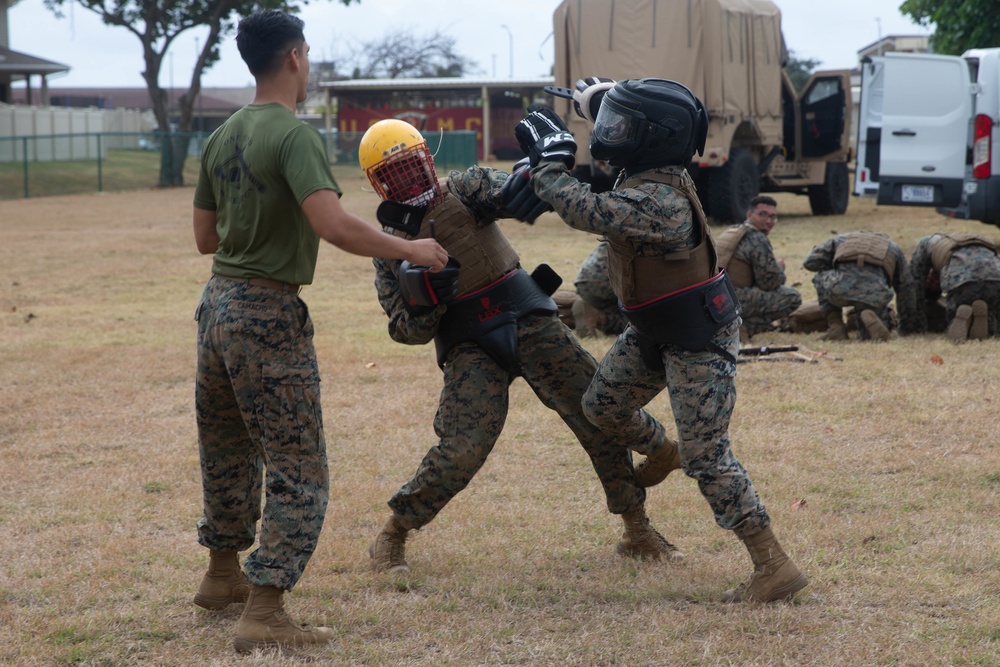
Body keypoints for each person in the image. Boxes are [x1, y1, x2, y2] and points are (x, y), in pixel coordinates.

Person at [191, 10, 447, 654]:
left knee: (227, 447)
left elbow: (204, 238)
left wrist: (254, 231)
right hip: (267, 316)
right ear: (296, 58)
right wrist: (412, 251)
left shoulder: (222, 135)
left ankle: (221, 577)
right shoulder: (294, 135)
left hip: (216, 305)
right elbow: (333, 226)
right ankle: (265, 608)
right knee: (299, 468)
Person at [517, 77, 807, 603]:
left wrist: (546, 164)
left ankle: (774, 565)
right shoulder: (652, 170)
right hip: (656, 326)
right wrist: (598, 104)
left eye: (618, 124)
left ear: (655, 137)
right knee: (601, 406)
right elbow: (628, 145)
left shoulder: (658, 200)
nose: (608, 131)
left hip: (698, 335)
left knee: (708, 457)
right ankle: (662, 450)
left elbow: (585, 208)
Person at [357, 118, 685, 576]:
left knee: (595, 416)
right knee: (462, 448)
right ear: (379, 185)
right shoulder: (389, 247)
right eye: (394, 174)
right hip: (468, 343)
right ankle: (393, 533)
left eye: (413, 165)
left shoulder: (464, 186)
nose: (409, 179)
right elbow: (403, 330)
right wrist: (428, 300)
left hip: (526, 316)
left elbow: (507, 194)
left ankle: (638, 527)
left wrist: (537, 170)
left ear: (428, 159)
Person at [715, 195, 802, 341]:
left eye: (773, 217)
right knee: (792, 297)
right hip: (732, 299)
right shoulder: (757, 238)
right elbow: (769, 283)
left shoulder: (733, 231)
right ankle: (743, 329)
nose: (768, 221)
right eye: (763, 215)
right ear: (749, 214)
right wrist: (779, 267)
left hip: (715, 296)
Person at [802, 231, 913, 342]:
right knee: (866, 334)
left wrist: (834, 265)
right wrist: (908, 327)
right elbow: (906, 287)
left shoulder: (840, 239)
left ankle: (836, 327)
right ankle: (870, 322)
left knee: (819, 276)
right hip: (875, 294)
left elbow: (809, 262)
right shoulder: (893, 247)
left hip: (840, 288)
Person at [907, 232, 1000, 342]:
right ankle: (990, 326)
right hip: (995, 276)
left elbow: (914, 284)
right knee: (994, 311)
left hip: (961, 279)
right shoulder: (980, 241)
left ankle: (958, 319)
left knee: (958, 308)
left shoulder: (925, 243)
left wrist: (914, 325)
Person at [571, 239, 630, 337]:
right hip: (609, 282)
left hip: (583, 281)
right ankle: (599, 318)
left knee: (617, 310)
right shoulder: (654, 235)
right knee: (640, 321)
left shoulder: (624, 227)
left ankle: (570, 315)